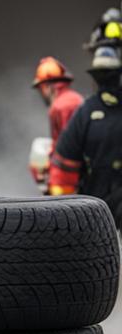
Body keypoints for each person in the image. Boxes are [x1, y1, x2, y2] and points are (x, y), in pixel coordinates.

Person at [48, 45, 122, 226]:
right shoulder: (86, 112)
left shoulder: (86, 112)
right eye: (102, 76)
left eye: (110, 75)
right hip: (95, 204)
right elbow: (65, 163)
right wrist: (65, 214)